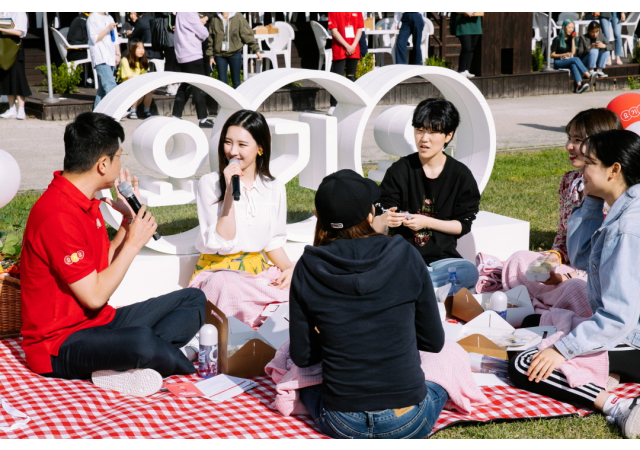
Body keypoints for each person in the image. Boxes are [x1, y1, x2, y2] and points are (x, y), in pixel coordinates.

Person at [20, 112, 206, 397]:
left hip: (99, 322)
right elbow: (94, 295)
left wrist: (128, 224)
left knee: (193, 299)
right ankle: (184, 365)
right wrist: (133, 244)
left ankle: (130, 365)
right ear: (103, 163)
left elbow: (99, 267)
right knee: (142, 341)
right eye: (120, 156)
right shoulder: (57, 214)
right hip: (58, 344)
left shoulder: (86, 202)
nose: (122, 163)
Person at [290, 169, 447, 439]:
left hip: (343, 420)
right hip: (407, 419)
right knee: (447, 368)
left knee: (298, 383)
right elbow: (433, 341)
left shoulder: (307, 266)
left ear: (317, 217)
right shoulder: (405, 253)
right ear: (371, 216)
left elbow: (303, 357)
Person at [509, 130, 640, 439]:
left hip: (632, 336)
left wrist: (562, 349)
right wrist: (593, 201)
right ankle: (606, 370)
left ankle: (619, 407)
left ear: (614, 170)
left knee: (525, 362)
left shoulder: (627, 230)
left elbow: (619, 317)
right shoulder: (625, 204)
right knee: (531, 324)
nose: (582, 172)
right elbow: (582, 257)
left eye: (589, 163)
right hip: (625, 327)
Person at [372, 98, 480, 289]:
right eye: (420, 130)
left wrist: (426, 222)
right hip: (403, 255)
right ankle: (428, 286)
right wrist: (388, 218)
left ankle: (421, 285)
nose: (424, 139)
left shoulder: (461, 176)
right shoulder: (400, 170)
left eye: (433, 132)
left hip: (443, 260)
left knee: (469, 271)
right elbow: (381, 211)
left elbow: (462, 225)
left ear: (448, 135)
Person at [192, 109, 293, 288]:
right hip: (218, 273)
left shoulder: (274, 187)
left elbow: (272, 243)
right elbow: (222, 242)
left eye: (242, 145)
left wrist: (291, 270)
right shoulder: (210, 183)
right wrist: (229, 193)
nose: (232, 151)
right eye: (228, 142)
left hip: (257, 271)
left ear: (260, 147)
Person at [171, 12, 213, 128]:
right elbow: (204, 33)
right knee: (198, 87)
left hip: (182, 54)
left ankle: (176, 115)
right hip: (192, 53)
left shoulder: (181, 12)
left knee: (185, 85)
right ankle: (203, 119)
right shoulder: (190, 12)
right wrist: (202, 22)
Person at [206, 12, 262, 89]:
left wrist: (256, 50)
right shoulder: (215, 18)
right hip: (219, 55)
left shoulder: (238, 17)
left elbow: (247, 34)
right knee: (222, 83)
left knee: (236, 82)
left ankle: (236, 100)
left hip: (235, 53)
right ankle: (224, 101)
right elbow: (210, 39)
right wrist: (211, 56)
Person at [326, 12, 364, 116]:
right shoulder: (333, 11)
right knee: (337, 77)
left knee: (351, 77)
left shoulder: (357, 11)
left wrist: (353, 45)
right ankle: (334, 104)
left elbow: (359, 29)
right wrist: (347, 46)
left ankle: (352, 104)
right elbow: (334, 31)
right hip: (340, 49)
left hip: (354, 48)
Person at [550, 20, 596, 94]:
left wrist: (573, 39)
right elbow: (552, 55)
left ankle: (579, 86)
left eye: (572, 28)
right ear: (564, 27)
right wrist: (563, 54)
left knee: (573, 65)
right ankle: (589, 76)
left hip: (566, 60)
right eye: (569, 27)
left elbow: (573, 52)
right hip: (558, 62)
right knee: (576, 59)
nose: (571, 29)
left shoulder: (569, 39)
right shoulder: (557, 39)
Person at [0, 12, 31, 120]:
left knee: (18, 77)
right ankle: (11, 108)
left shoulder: (20, 12)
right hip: (3, 47)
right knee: (6, 77)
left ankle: (21, 109)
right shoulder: (4, 11)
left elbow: (19, 32)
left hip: (15, 47)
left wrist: (1, 29)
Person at [87, 12, 121, 109]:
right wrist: (107, 29)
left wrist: (117, 53)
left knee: (102, 89)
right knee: (110, 84)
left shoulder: (109, 17)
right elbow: (94, 38)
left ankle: (96, 113)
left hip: (110, 56)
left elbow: (115, 37)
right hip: (100, 57)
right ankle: (117, 109)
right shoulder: (92, 18)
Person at [116, 38, 153, 119]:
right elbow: (129, 78)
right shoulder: (125, 60)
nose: (141, 50)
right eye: (139, 48)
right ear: (132, 49)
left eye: (142, 48)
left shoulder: (141, 62)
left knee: (149, 91)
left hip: (136, 84)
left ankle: (146, 111)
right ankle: (133, 110)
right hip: (125, 87)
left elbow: (145, 77)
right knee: (138, 90)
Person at [450, 12, 482, 79]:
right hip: (462, 22)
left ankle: (466, 69)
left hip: (475, 23)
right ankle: (461, 70)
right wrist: (465, 11)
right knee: (466, 47)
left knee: (472, 48)